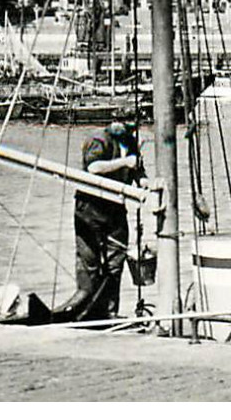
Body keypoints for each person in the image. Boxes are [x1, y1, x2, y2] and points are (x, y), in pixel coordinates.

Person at [55, 112, 144, 322]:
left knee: (116, 261)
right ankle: (83, 310)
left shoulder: (131, 143)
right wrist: (125, 162)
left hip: (115, 211)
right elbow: (93, 167)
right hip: (90, 210)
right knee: (89, 261)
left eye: (127, 123)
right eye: (117, 121)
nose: (120, 126)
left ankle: (109, 311)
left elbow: (138, 170)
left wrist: (144, 182)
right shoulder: (99, 139)